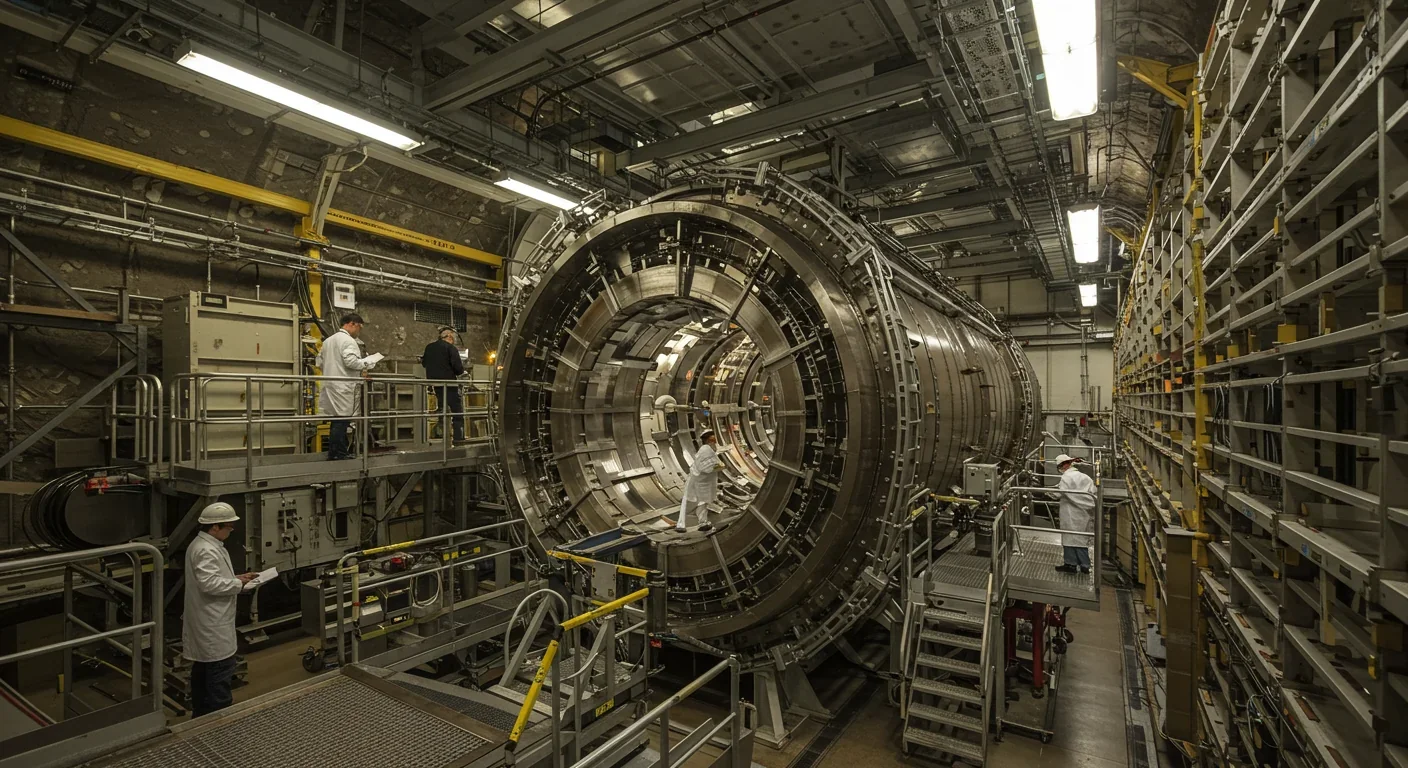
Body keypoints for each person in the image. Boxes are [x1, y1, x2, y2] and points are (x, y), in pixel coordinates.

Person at [182, 502, 256, 718]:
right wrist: (238, 585)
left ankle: (201, 717)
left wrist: (236, 579)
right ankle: (218, 725)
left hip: (210, 620)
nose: (231, 531)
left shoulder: (205, 545)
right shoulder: (205, 550)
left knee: (203, 672)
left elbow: (211, 578)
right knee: (219, 676)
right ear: (215, 527)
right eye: (229, 527)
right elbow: (210, 584)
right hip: (212, 624)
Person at [317, 313, 377, 460]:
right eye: (359, 328)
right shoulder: (348, 341)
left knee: (336, 420)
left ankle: (334, 452)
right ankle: (340, 454)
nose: (359, 332)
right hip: (343, 387)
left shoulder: (328, 341)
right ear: (352, 324)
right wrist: (368, 361)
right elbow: (351, 362)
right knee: (342, 421)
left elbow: (319, 362)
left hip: (331, 384)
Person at [1052, 453, 1096, 574]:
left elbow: (1062, 492)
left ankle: (1071, 565)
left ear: (1064, 465)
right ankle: (1084, 565)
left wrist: (1046, 493)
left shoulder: (1066, 477)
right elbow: (1093, 493)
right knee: (1080, 538)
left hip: (1071, 512)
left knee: (1070, 537)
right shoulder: (1085, 477)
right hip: (1084, 512)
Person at [421, 326, 466, 444]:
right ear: (449, 337)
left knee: (442, 409)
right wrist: (462, 372)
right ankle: (458, 438)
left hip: (435, 384)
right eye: (453, 338)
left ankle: (440, 436)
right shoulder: (451, 348)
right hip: (449, 384)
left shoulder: (429, 347)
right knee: (457, 411)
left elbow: (424, 363)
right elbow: (458, 369)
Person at [676, 430, 720, 533]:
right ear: (709, 441)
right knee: (688, 502)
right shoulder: (705, 450)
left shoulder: (709, 450)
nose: (715, 443)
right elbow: (703, 467)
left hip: (703, 482)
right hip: (696, 481)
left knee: (702, 502)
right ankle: (681, 525)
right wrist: (718, 466)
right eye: (713, 440)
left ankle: (702, 523)